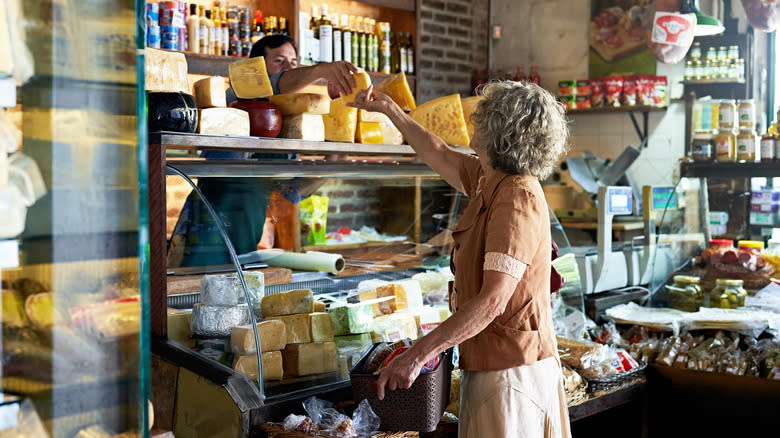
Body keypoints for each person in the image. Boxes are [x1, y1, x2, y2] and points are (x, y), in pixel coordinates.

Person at [348, 81, 572, 437]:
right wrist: (390, 111)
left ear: (500, 129)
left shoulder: (517, 197)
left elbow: (493, 300)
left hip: (512, 377)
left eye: (480, 116)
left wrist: (417, 356)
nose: (472, 120)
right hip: (492, 369)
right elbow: (436, 151)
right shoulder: (489, 180)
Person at [167, 35, 360, 268]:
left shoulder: (288, 122)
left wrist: (333, 164)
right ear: (255, 67)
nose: (289, 68)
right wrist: (322, 70)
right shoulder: (237, 98)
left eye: (294, 62)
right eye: (280, 60)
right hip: (209, 220)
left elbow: (291, 191)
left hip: (248, 228)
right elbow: (275, 83)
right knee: (195, 290)